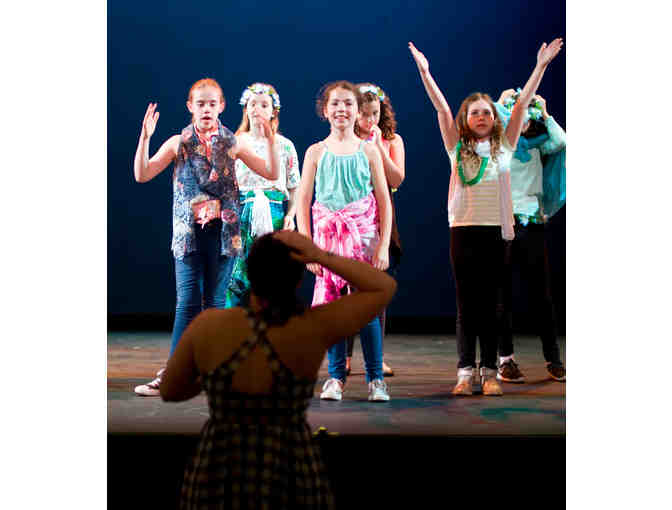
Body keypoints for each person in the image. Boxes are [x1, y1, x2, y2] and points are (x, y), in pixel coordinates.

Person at [160, 230, 397, 509]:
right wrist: (321, 256)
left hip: (221, 465)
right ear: (297, 281)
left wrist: (213, 376)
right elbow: (383, 287)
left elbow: (171, 389)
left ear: (250, 272)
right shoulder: (310, 328)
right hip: (289, 465)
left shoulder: (210, 325)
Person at [408, 38, 563, 396]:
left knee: (492, 305)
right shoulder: (457, 148)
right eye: (474, 112)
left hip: (495, 233)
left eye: (487, 112)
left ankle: (490, 372)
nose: (480, 116)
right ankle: (465, 372)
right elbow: (441, 109)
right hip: (463, 231)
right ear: (466, 119)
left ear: (496, 120)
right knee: (467, 305)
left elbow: (522, 105)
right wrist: (426, 73)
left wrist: (540, 66)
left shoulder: (505, 148)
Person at [133, 78, 280, 396]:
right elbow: (142, 174)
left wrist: (269, 139)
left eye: (212, 103)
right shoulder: (179, 143)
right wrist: (145, 138)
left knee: (214, 304)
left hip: (223, 234)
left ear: (222, 106)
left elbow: (271, 172)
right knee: (187, 302)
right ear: (190, 106)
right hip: (189, 233)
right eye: (200, 104)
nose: (206, 109)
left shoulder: (232, 142)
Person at [295, 80, 393, 401]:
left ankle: (376, 379)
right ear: (325, 110)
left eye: (348, 103)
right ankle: (336, 378)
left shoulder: (369, 151)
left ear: (358, 110)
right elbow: (303, 201)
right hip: (328, 243)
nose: (342, 109)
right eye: (335, 103)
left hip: (362, 239)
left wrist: (383, 245)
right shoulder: (315, 152)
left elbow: (383, 200)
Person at [492, 88, 567, 383]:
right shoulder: (500, 144)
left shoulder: (539, 144)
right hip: (503, 223)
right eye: (515, 115)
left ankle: (554, 359)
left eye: (526, 115)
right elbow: (487, 124)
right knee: (502, 294)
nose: (521, 120)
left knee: (542, 295)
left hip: (532, 222)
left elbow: (562, 141)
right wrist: (499, 103)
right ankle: (505, 360)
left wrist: (545, 113)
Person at [344, 82, 406, 377]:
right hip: (350, 215)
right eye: (364, 113)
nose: (370, 120)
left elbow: (397, 179)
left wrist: (379, 146)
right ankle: (345, 356)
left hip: (379, 215)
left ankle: (376, 356)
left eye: (375, 113)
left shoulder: (392, 140)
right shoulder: (344, 139)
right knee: (346, 289)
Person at [225, 82, 301, 308]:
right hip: (241, 210)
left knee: (271, 274)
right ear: (246, 108)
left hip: (273, 211)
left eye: (264, 105)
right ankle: (231, 323)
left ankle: (270, 324)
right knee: (235, 274)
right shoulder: (235, 143)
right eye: (253, 104)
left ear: (273, 111)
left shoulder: (285, 145)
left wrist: (291, 215)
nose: (257, 109)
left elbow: (294, 186)